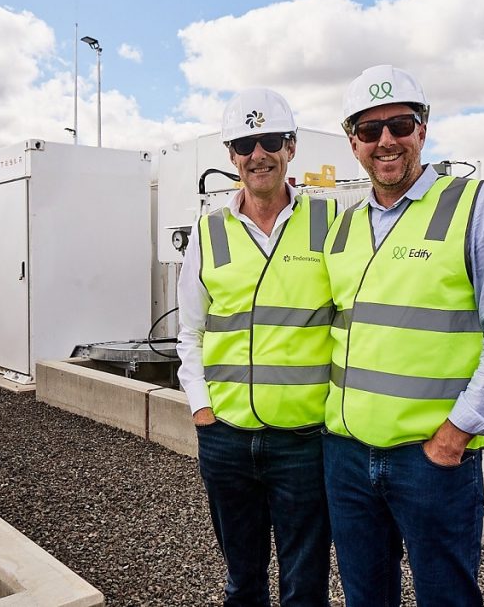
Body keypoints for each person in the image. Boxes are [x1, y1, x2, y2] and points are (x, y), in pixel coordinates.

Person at [322, 65, 484, 607]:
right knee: (364, 598)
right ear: (353, 142)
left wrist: (455, 436)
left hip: (430, 461)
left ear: (422, 129)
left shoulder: (474, 205)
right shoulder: (343, 226)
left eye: (399, 124)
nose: (386, 141)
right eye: (370, 131)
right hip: (348, 458)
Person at [176, 88, 336, 606]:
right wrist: (201, 409)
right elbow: (190, 332)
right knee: (242, 582)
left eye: (269, 140)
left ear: (291, 147)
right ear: (231, 155)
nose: (257, 154)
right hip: (226, 439)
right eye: (245, 143)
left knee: (304, 585)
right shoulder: (208, 231)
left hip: (303, 440)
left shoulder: (330, 224)